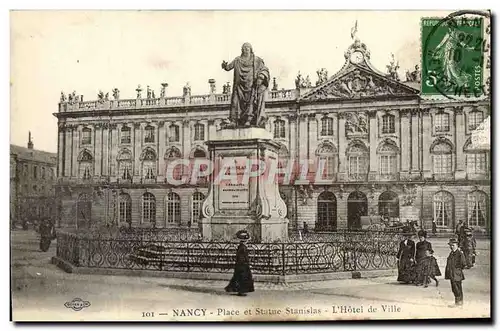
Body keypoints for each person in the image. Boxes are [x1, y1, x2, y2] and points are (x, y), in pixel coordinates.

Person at [221, 43, 270, 127]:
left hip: (251, 85)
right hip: (239, 86)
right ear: (241, 50)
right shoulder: (237, 60)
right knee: (235, 102)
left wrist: (261, 76)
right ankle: (234, 120)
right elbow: (229, 67)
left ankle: (249, 120)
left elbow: (264, 69)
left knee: (251, 102)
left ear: (251, 49)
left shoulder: (256, 60)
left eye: (247, 48)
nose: (245, 49)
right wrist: (225, 66)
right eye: (244, 48)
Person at [225, 230, 255, 296]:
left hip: (241, 265)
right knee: (242, 278)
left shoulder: (242, 247)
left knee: (239, 278)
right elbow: (242, 257)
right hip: (242, 265)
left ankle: (239, 290)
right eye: (247, 241)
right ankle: (241, 291)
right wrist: (246, 263)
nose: (247, 242)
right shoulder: (242, 247)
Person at [445, 237, 467, 307]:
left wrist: (457, 269)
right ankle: (458, 302)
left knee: (457, 288)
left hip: (457, 274)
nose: (451, 247)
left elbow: (463, 264)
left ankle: (459, 302)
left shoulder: (460, 253)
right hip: (452, 274)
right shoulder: (451, 253)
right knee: (454, 288)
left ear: (457, 245)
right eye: (450, 245)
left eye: (453, 245)